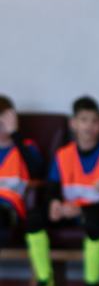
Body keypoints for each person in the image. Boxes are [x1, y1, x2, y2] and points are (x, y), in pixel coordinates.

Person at [25, 96, 99, 286]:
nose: (88, 126)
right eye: (83, 120)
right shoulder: (63, 155)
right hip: (69, 211)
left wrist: (81, 210)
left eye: (94, 121)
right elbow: (53, 187)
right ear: (73, 123)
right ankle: (45, 284)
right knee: (34, 218)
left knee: (94, 221)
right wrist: (54, 203)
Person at [0, 96, 44, 250]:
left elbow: (36, 172)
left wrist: (15, 135)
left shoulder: (26, 147)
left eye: (3, 123)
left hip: (9, 208)